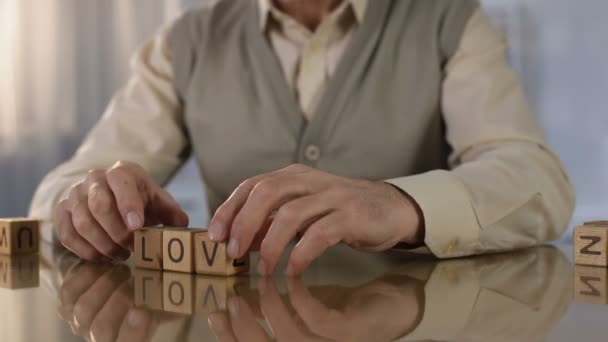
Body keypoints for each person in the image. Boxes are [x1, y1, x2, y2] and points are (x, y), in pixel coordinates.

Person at [29, 0, 575, 276]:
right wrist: (87, 203)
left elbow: (538, 182)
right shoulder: (186, 42)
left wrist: (400, 202)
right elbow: (63, 188)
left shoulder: (448, 19)